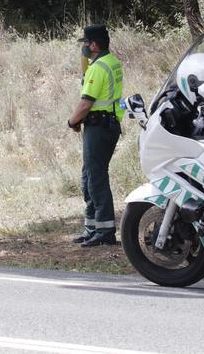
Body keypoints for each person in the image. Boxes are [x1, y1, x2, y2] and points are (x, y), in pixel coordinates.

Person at [67, 24, 124, 247]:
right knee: (89, 177)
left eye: (85, 43)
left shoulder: (98, 68)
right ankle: (92, 228)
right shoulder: (112, 63)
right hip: (107, 125)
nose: (83, 47)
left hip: (99, 127)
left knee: (95, 178)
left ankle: (105, 232)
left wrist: (72, 121)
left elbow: (85, 104)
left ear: (94, 45)